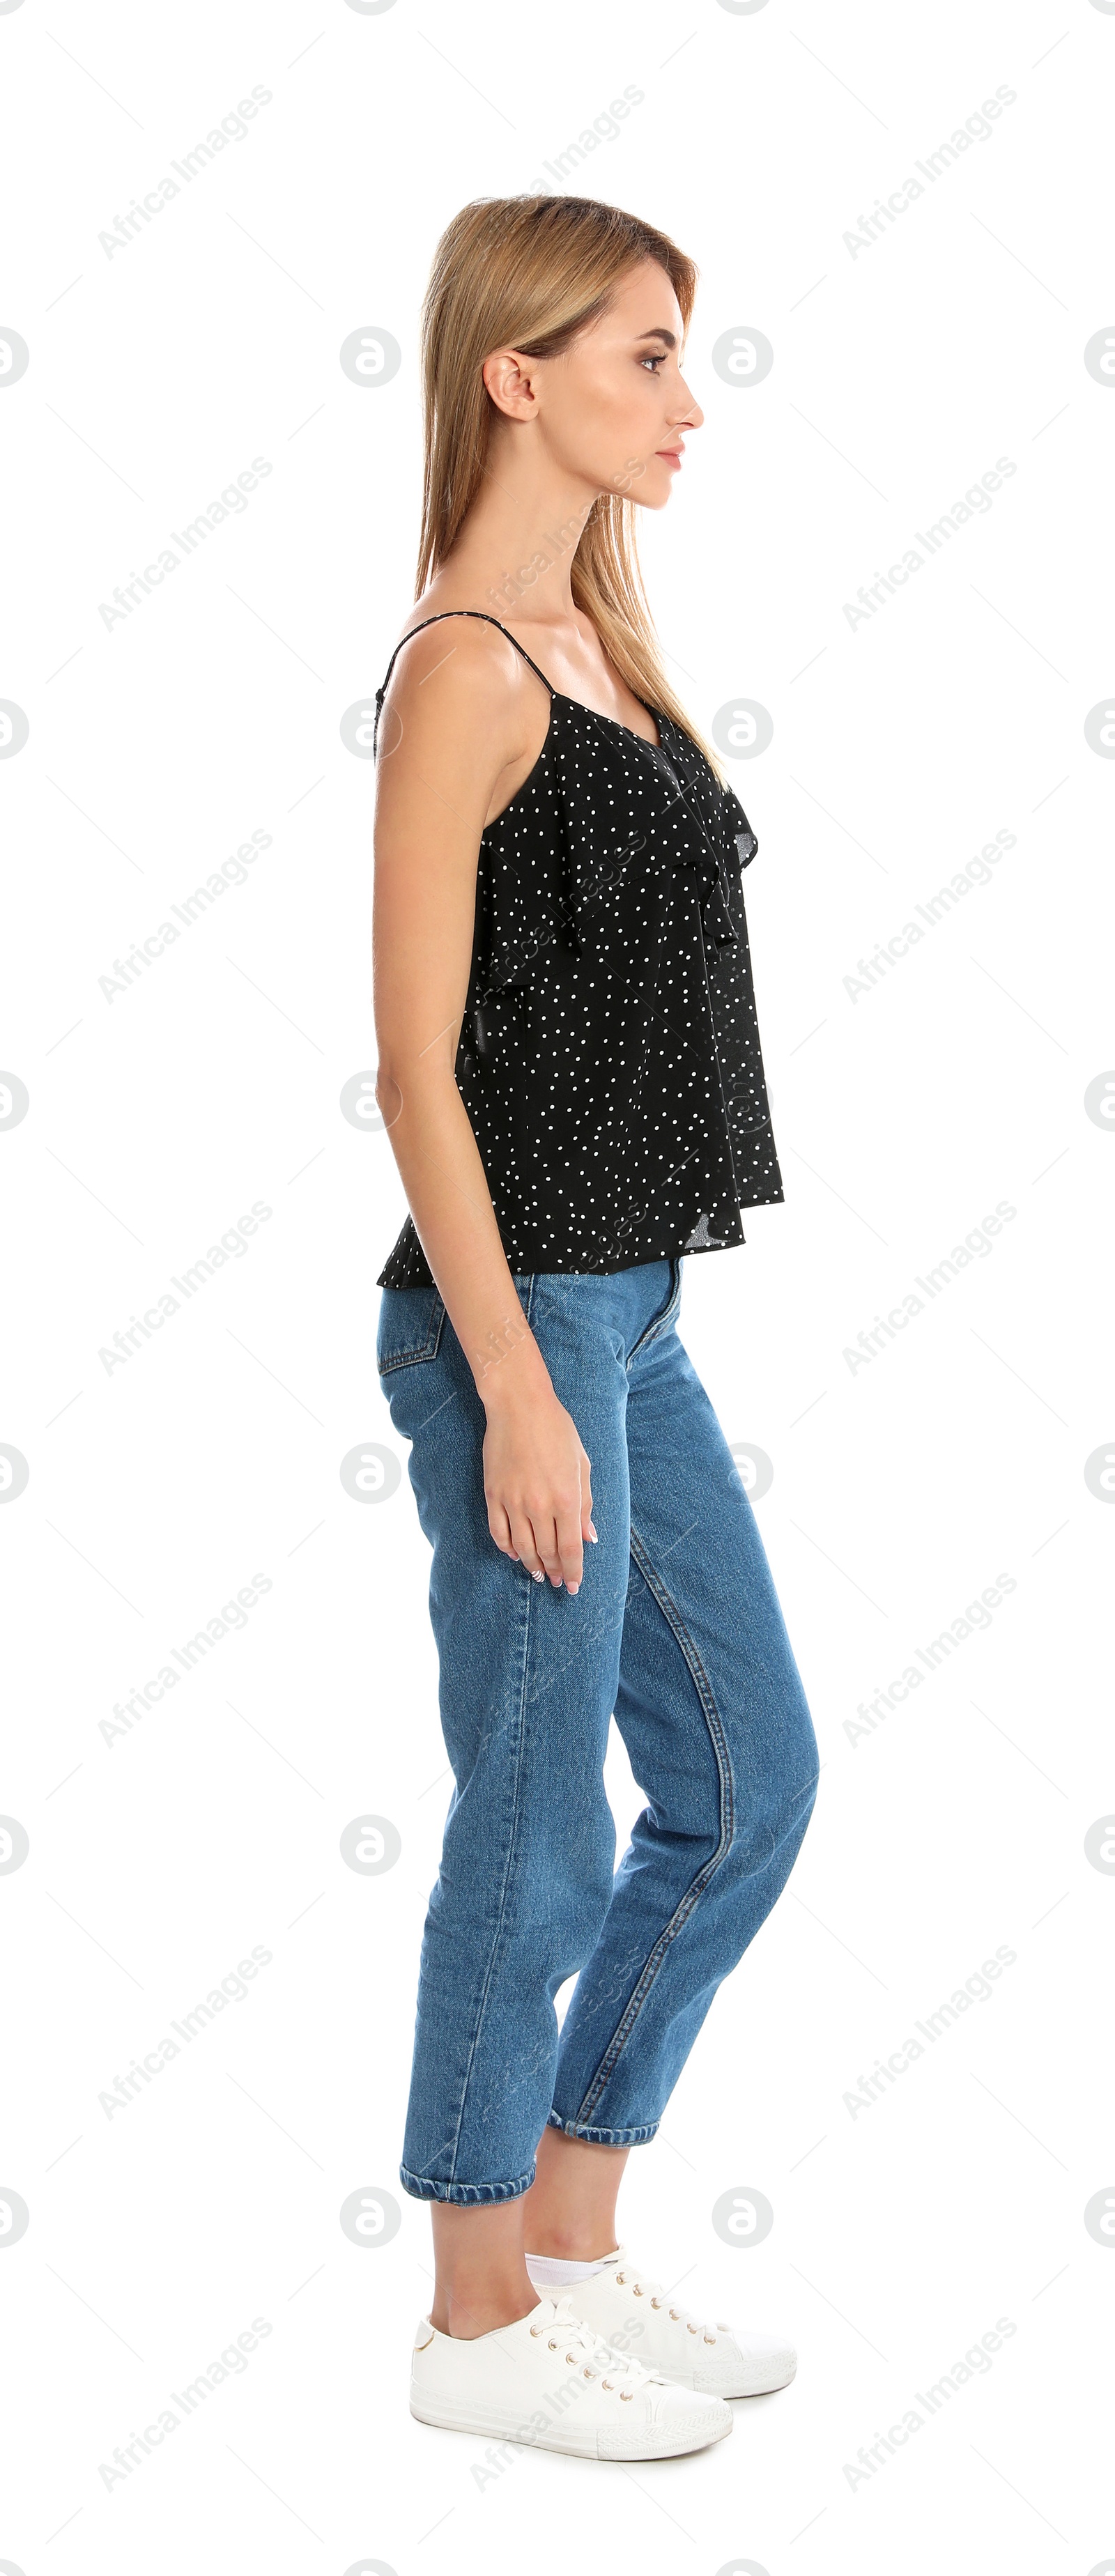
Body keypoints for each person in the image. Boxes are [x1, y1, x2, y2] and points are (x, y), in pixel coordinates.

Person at [372, 194, 820, 2462]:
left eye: (684, 355)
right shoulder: (465, 663)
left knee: (749, 1785)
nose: (684, 397)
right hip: (519, 1315)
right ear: (514, 374)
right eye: (642, 355)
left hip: (629, 1305)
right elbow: (414, 1067)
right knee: (544, 1822)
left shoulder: (605, 646)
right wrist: (519, 1380)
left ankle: (563, 2242)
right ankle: (469, 2322)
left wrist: (595, 1347)